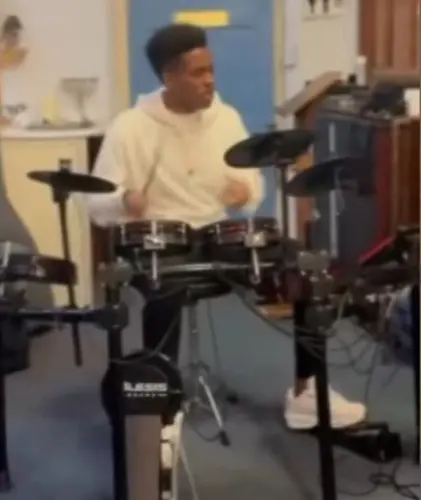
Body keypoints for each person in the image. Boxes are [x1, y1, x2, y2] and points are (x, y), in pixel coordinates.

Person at [85, 23, 365, 430]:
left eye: (211, 69)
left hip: (217, 238)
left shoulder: (225, 118)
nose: (210, 80)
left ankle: (306, 391)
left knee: (305, 268)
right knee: (164, 291)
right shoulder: (130, 127)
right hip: (162, 244)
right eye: (198, 73)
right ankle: (159, 405)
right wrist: (124, 200)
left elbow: (252, 183)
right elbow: (96, 205)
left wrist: (245, 190)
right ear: (169, 77)